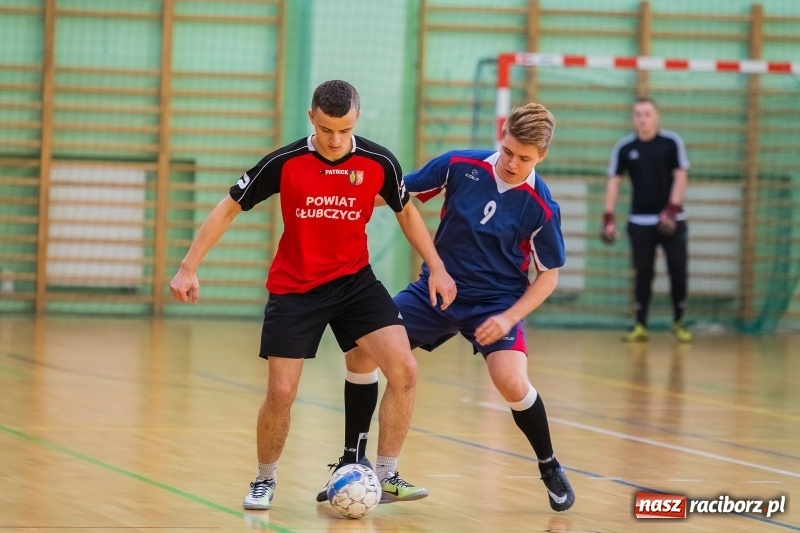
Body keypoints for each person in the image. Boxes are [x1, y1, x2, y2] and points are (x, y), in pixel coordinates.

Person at [169, 80, 456, 510]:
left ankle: (386, 473)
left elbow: (406, 211)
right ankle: (265, 479)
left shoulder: (380, 162)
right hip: (295, 289)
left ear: (356, 118)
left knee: (405, 370)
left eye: (343, 129)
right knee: (281, 394)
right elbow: (228, 206)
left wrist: (437, 266)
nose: (335, 139)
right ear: (311, 118)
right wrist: (188, 266)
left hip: (355, 283)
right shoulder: (285, 162)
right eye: (326, 129)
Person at [317, 102, 576, 512]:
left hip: (495, 304)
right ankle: (358, 463)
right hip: (435, 292)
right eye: (508, 151)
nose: (512, 162)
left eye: (524, 158)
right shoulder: (460, 165)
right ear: (502, 136)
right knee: (360, 352)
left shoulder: (542, 207)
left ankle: (548, 464)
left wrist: (509, 316)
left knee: (511, 381)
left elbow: (549, 276)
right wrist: (340, 191)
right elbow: (395, 192)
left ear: (541, 156)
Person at [601, 96, 692, 343]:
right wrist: (608, 217)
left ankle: (679, 321)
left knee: (678, 270)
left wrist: (671, 209)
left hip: (672, 221)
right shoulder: (624, 147)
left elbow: (681, 176)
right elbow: (614, 182)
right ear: (634, 118)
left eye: (647, 113)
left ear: (656, 116)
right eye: (638, 114)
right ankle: (640, 324)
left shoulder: (671, 143)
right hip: (640, 222)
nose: (643, 118)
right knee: (643, 273)